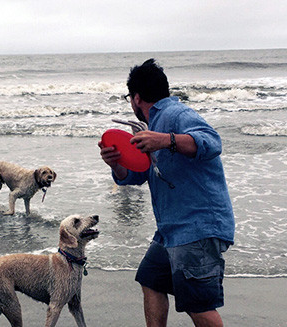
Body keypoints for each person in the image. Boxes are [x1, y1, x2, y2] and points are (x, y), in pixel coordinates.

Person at [98, 59, 234, 327]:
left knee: (199, 306)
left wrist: (165, 140)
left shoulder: (176, 114)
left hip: (197, 227)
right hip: (170, 230)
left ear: (136, 98)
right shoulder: (149, 126)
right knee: (150, 279)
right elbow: (137, 175)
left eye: (130, 98)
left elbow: (211, 141)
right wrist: (115, 163)